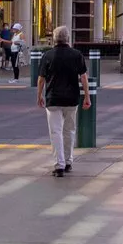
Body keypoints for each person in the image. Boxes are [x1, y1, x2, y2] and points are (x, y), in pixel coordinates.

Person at [38, 24, 91, 176]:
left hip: (53, 98)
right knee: (69, 130)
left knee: (56, 131)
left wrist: (39, 96)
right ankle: (68, 161)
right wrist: (86, 96)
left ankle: (59, 164)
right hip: (71, 98)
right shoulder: (76, 55)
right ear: (68, 38)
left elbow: (41, 79)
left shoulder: (48, 56)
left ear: (54, 40)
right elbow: (83, 77)